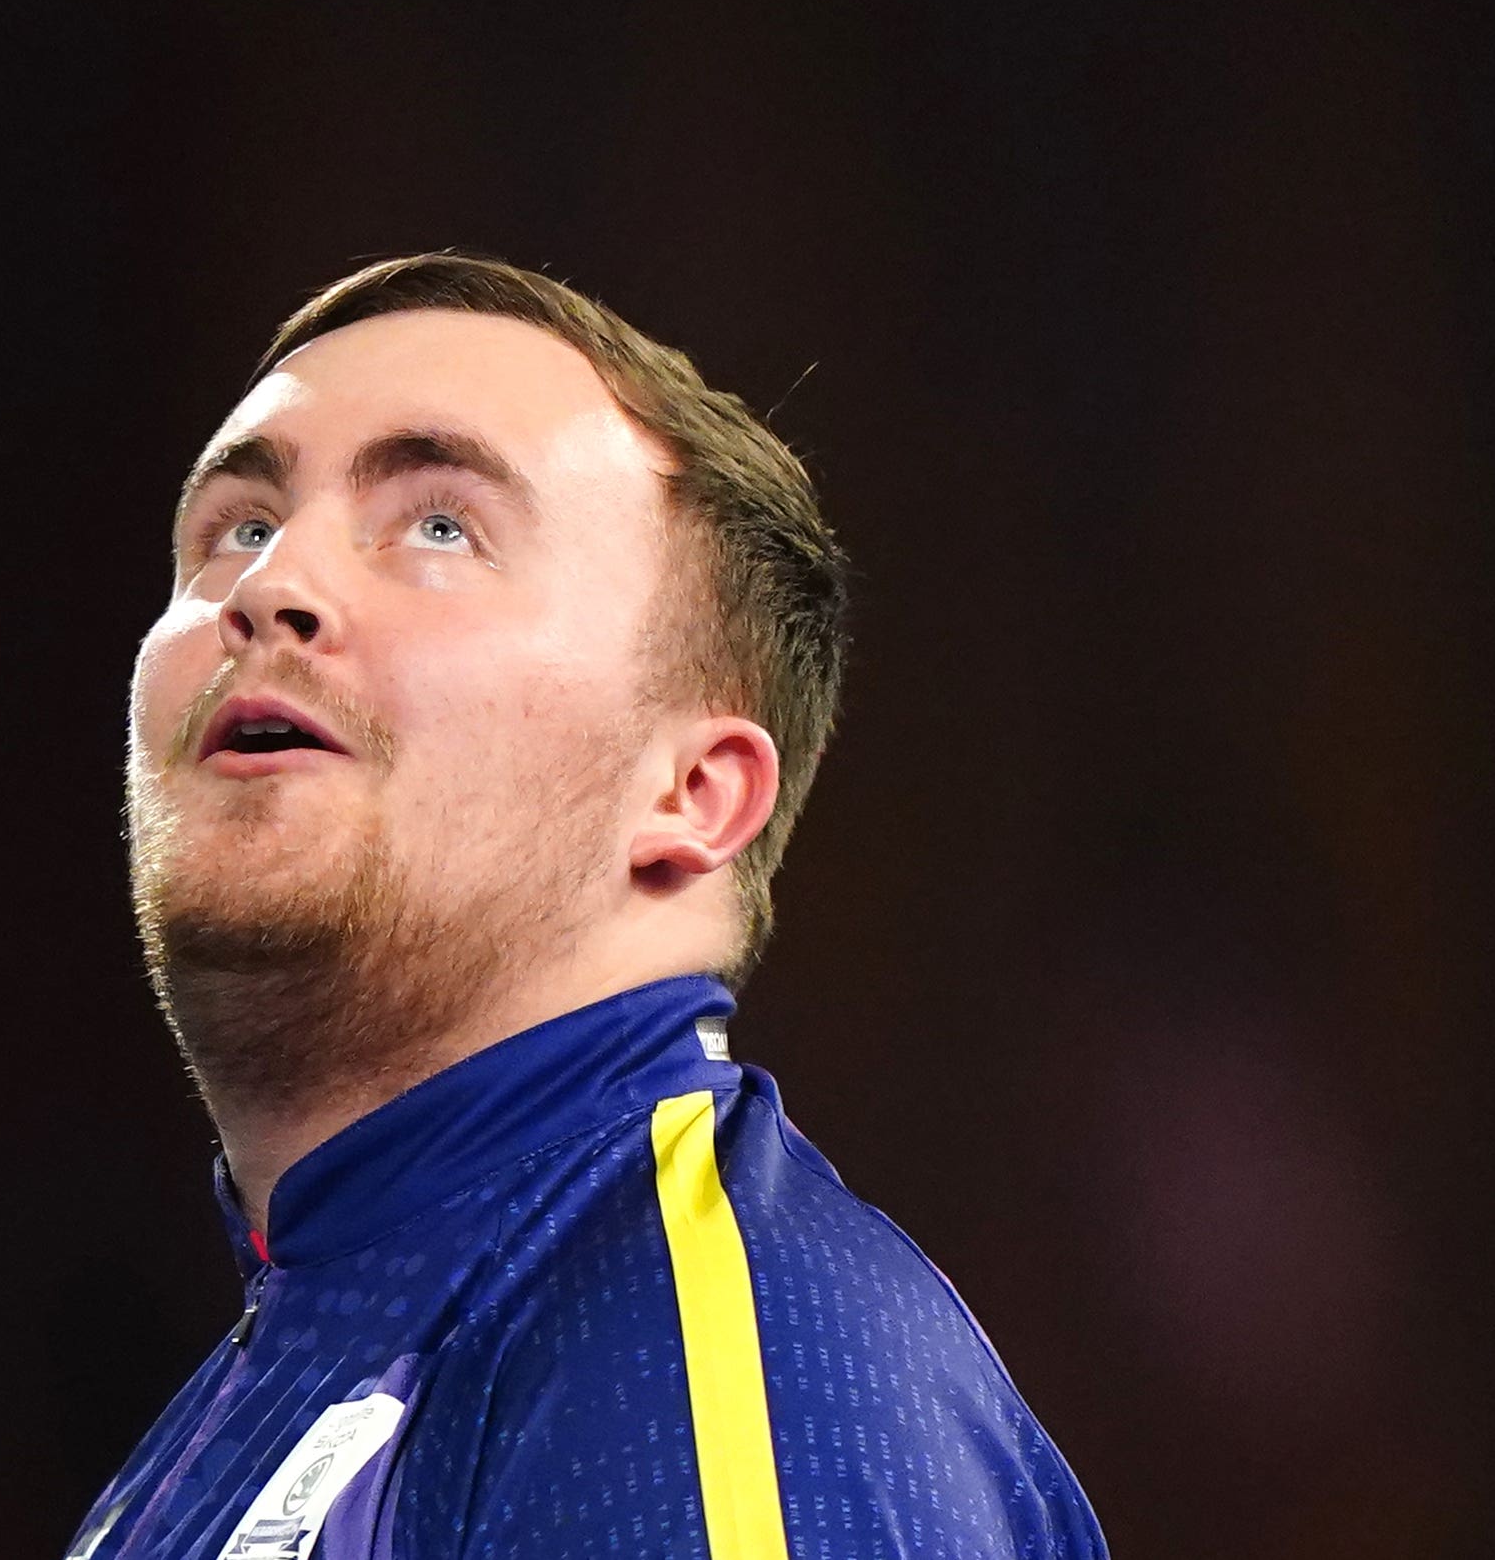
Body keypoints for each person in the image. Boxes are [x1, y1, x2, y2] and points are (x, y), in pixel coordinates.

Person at [74, 254, 1105, 1558]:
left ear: (690, 792)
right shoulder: (255, 1399)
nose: (269, 587)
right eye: (238, 525)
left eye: (441, 526)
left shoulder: (711, 1368)